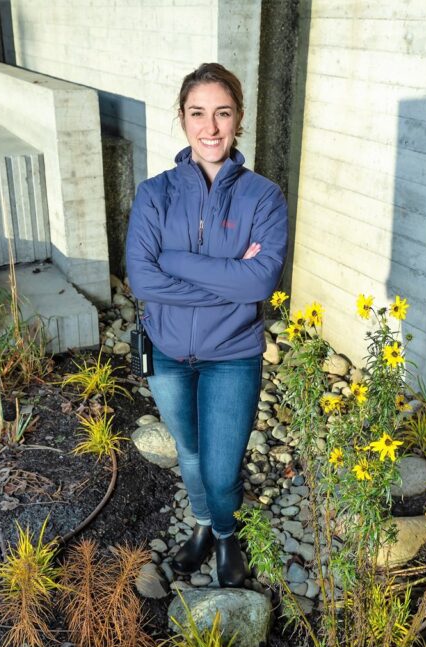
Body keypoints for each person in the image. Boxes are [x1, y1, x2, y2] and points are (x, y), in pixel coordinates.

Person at [125, 63, 288, 587]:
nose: (210, 127)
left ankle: (227, 532)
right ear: (182, 118)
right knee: (190, 452)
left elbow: (257, 285)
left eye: (222, 113)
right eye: (198, 113)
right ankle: (206, 528)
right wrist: (227, 279)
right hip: (168, 351)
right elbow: (142, 282)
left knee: (221, 469)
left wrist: (172, 259)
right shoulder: (155, 194)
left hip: (231, 355)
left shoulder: (263, 197)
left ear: (239, 119)